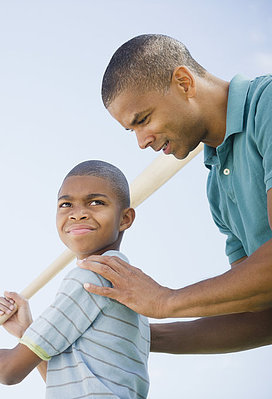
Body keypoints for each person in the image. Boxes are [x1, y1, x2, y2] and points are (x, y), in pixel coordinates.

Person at [78, 34, 272, 354]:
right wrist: (137, 336)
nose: (142, 142)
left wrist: (166, 300)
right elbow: (259, 309)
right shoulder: (217, 189)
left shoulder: (266, 105)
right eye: (132, 130)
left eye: (143, 120)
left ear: (183, 82)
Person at [0, 161, 150, 399]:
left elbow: (8, 370)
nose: (78, 213)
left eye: (96, 202)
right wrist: (28, 331)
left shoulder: (91, 278)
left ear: (125, 219)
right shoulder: (122, 281)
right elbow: (73, 383)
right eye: (66, 204)